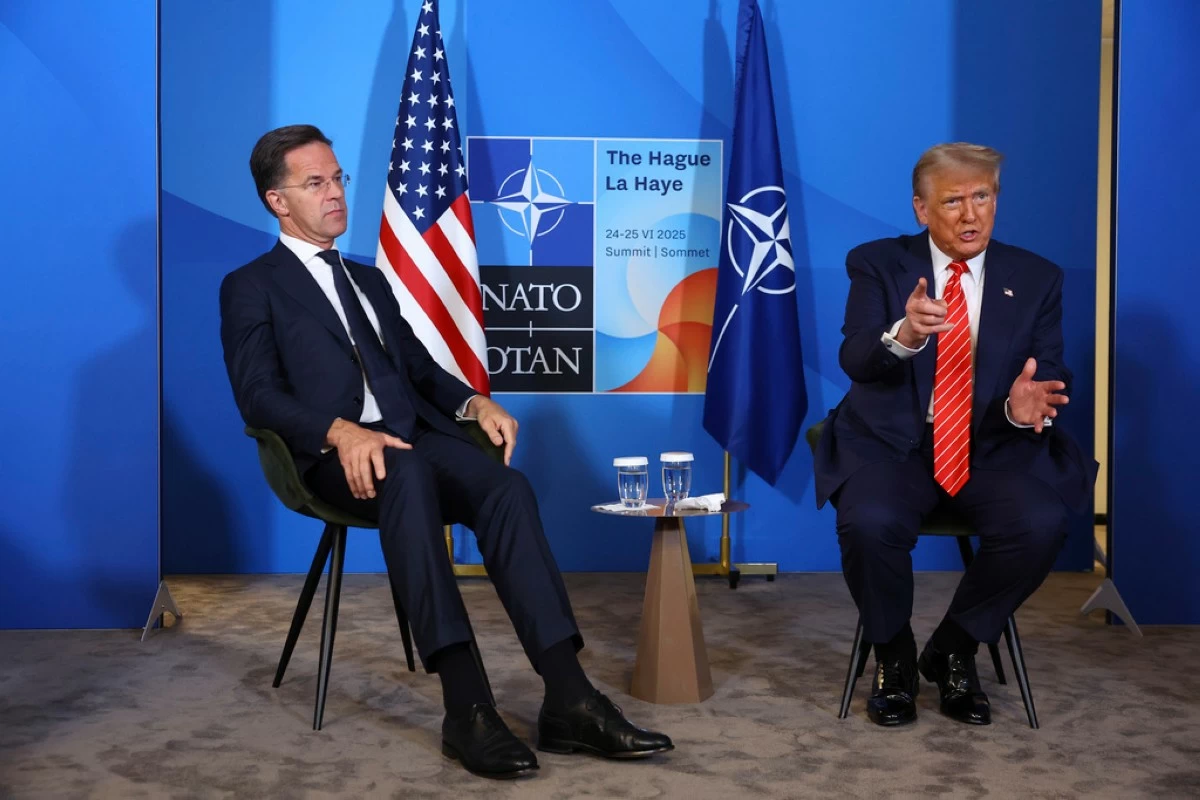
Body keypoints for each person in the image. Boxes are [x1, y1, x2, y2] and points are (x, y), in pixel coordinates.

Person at [219, 124, 671, 778]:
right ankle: (466, 708)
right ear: (277, 201)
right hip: (335, 462)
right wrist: (339, 431)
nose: (336, 193)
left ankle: (570, 697)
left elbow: (421, 371)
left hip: (416, 441)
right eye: (315, 183)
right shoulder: (250, 285)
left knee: (506, 488)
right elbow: (257, 395)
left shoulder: (370, 281)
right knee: (405, 474)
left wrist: (473, 403)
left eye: (338, 178)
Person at [814, 142, 1096, 727]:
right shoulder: (877, 262)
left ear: (996, 200)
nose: (971, 215)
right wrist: (905, 334)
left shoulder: (1037, 277)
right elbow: (855, 356)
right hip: (894, 445)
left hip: (992, 446)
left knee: (1041, 523)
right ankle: (892, 656)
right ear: (921, 209)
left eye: (982, 197)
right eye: (952, 201)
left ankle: (954, 648)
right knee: (868, 523)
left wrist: (1027, 405)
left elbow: (1049, 368)